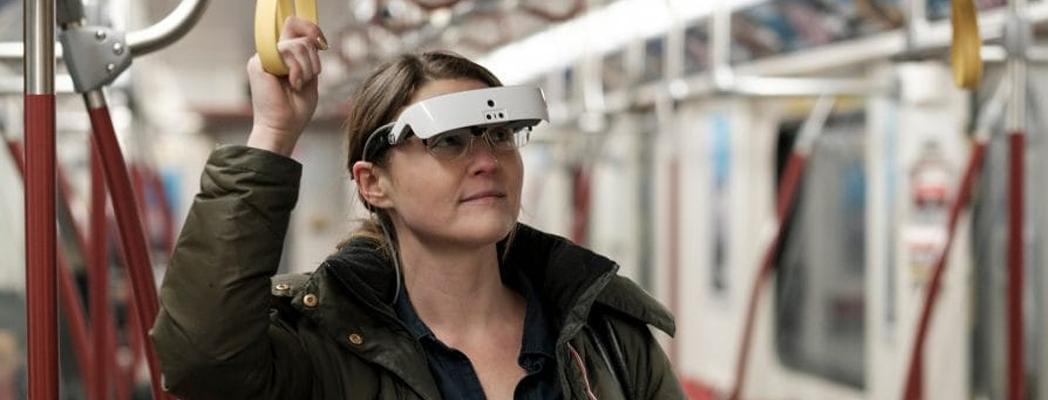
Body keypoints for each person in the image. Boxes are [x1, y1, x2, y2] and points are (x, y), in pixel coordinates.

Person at [150, 17, 683, 400]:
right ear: (374, 183)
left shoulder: (606, 338)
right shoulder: (321, 346)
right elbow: (200, 363)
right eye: (449, 142)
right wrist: (273, 132)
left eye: (499, 136)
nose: (487, 161)